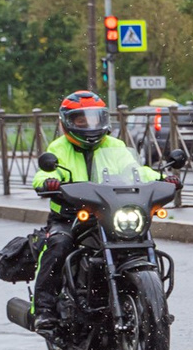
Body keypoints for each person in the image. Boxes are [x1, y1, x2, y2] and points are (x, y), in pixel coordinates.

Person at [27, 90, 159, 337]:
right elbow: (44, 173)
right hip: (71, 216)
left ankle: (150, 302)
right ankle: (43, 309)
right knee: (58, 245)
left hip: (108, 213)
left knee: (139, 239)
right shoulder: (59, 148)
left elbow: (136, 170)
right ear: (67, 122)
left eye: (95, 119)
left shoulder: (115, 146)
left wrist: (161, 177)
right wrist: (48, 182)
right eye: (81, 120)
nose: (89, 125)